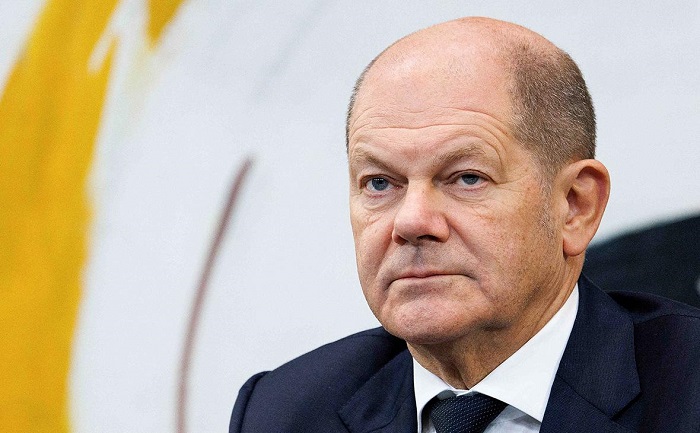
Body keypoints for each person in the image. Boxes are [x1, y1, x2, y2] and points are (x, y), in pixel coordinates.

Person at [230, 17, 700, 433]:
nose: (411, 221)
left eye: (466, 178)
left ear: (575, 206)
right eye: (379, 183)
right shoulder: (285, 412)